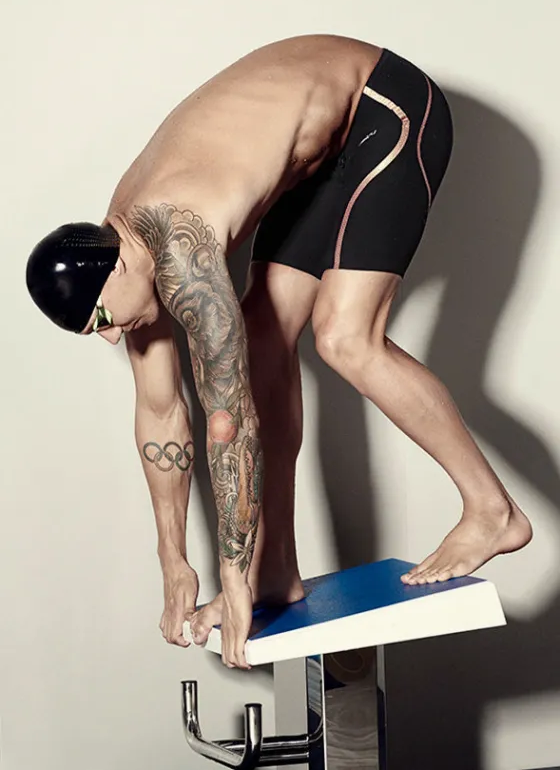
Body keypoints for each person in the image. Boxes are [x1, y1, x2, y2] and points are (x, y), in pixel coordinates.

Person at [26, 34, 532, 669]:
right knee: (263, 335)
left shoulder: (180, 249)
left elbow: (226, 419)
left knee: (345, 337)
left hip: (385, 106)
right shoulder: (125, 259)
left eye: (101, 320)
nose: (108, 335)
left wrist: (229, 579)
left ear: (120, 266)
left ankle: (492, 511)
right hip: (321, 153)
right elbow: (161, 415)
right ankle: (276, 575)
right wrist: (173, 561)